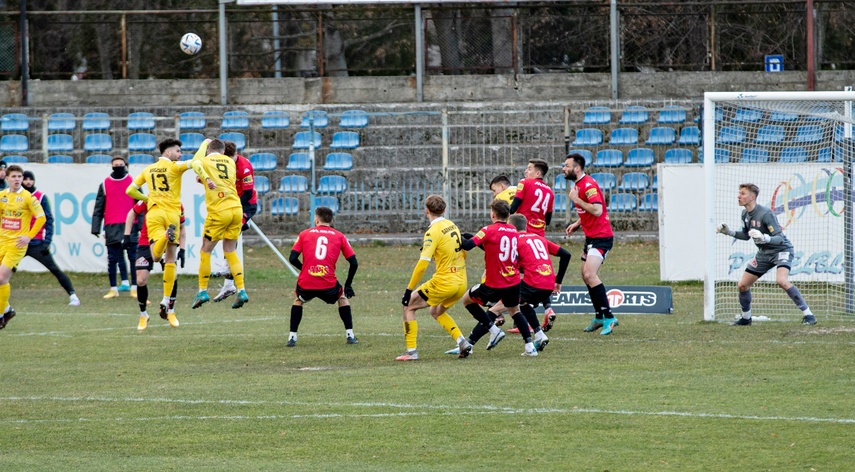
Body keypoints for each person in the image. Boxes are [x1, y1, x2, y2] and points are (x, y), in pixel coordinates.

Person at [126, 137, 204, 327]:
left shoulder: (148, 169)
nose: (180, 154)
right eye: (178, 151)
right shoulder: (175, 167)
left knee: (156, 256)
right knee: (169, 262)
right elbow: (196, 162)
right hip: (172, 215)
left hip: (155, 215)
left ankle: (169, 308)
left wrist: (149, 198)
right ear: (167, 153)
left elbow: (130, 190)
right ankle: (162, 302)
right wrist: (204, 145)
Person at [716, 183, 816, 326]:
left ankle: (809, 315)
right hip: (764, 253)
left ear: (752, 197)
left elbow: (779, 238)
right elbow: (745, 235)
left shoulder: (765, 213)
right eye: (739, 193)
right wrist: (728, 232)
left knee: (782, 281)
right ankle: (746, 318)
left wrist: (764, 238)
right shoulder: (745, 214)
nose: (739, 196)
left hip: (781, 250)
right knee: (743, 285)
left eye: (742, 193)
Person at [458, 199, 537, 356]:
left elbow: (467, 245)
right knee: (514, 310)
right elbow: (494, 247)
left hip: (494, 283)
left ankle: (494, 330)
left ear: (492, 214)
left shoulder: (488, 230)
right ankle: (530, 346)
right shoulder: (514, 231)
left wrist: (455, 237)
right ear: (508, 215)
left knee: (466, 300)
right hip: (513, 281)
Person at [398, 194, 472, 361]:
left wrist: (409, 289)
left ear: (426, 211)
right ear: (444, 210)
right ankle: (462, 342)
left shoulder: (432, 231)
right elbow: (463, 252)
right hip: (461, 281)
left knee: (408, 306)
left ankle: (411, 352)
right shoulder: (451, 225)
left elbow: (423, 264)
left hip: (445, 281)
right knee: (436, 311)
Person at [188, 138, 249, 310]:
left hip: (219, 210)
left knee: (205, 250)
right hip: (236, 209)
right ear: (223, 152)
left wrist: (203, 144)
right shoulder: (230, 161)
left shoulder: (205, 160)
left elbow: (194, 163)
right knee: (230, 251)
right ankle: (241, 290)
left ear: (208, 151)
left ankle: (202, 291)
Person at [563, 153, 618, 335]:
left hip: (602, 237)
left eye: (567, 165)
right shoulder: (578, 184)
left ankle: (609, 317)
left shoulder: (587, 184)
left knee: (589, 273)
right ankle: (599, 316)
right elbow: (589, 211)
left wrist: (577, 200)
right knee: (585, 275)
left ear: (576, 168)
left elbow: (598, 209)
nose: (564, 168)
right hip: (591, 237)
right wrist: (578, 223)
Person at [287, 206, 359, 347]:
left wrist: (305, 270)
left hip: (306, 282)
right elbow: (354, 263)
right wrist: (348, 284)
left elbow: (292, 258)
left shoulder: (304, 234)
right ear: (331, 220)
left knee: (298, 300)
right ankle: (350, 335)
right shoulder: (339, 236)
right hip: (328, 284)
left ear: (316, 219)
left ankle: (292, 337)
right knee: (342, 297)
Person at [508, 160, 559, 332]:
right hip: (539, 237)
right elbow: (549, 219)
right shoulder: (550, 192)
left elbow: (514, 206)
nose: (525, 171)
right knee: (538, 273)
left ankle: (520, 321)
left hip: (523, 233)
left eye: (529, 169)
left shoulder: (525, 183)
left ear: (538, 173)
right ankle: (548, 308)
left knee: (516, 273)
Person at [21, 170, 80, 306]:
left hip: (36, 243)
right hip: (19, 243)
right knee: (4, 271)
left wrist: (47, 241)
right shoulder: (15, 197)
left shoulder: (40, 197)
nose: (28, 182)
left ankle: (73, 295)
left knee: (54, 269)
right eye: (26, 179)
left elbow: (49, 220)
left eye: (31, 179)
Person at [125, 200, 186, 330]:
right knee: (140, 280)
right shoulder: (149, 199)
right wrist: (126, 235)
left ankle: (170, 311)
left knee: (172, 275)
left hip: (167, 242)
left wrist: (183, 249)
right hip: (145, 243)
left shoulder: (176, 202)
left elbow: (181, 227)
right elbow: (132, 213)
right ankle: (143, 315)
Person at [0, 165, 46, 330]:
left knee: (1, 278)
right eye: (14, 176)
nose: (18, 179)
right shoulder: (2, 196)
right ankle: (7, 310)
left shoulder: (28, 197)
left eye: (20, 176)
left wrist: (28, 236)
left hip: (17, 245)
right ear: (7, 178)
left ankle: (0, 315)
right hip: (1, 242)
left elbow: (41, 218)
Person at [212, 140, 258, 303]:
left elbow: (247, 193)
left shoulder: (245, 167)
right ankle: (228, 285)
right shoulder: (222, 164)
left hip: (246, 205)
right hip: (232, 203)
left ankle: (227, 271)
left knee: (231, 233)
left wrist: (232, 204)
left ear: (234, 155)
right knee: (229, 235)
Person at [92, 156, 137, 299]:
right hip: (111, 225)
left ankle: (135, 288)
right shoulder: (105, 184)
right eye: (115, 165)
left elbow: (141, 204)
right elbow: (99, 207)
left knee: (133, 257)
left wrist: (141, 225)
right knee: (112, 259)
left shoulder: (133, 182)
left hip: (131, 225)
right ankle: (113, 289)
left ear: (125, 166)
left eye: (120, 164)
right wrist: (96, 227)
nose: (118, 167)